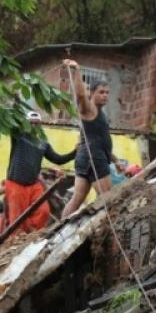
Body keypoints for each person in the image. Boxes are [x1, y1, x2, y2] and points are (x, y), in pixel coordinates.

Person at [61, 60, 125, 218]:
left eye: (107, 93)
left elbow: (102, 141)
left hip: (88, 157)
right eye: (101, 92)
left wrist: (116, 161)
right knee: (108, 199)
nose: (105, 96)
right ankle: (108, 234)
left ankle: (57, 231)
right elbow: (81, 95)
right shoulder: (88, 109)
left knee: (76, 199)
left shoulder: (101, 114)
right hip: (93, 158)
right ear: (92, 93)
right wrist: (77, 70)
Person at [6, 111, 76, 233]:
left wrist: (75, 152)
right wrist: (16, 103)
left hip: (33, 185)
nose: (33, 126)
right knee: (16, 221)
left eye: (36, 124)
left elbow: (58, 160)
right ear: (25, 124)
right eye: (31, 123)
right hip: (16, 184)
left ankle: (30, 235)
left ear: (40, 125)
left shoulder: (43, 143)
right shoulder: (18, 136)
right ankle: (16, 241)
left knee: (43, 211)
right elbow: (13, 119)